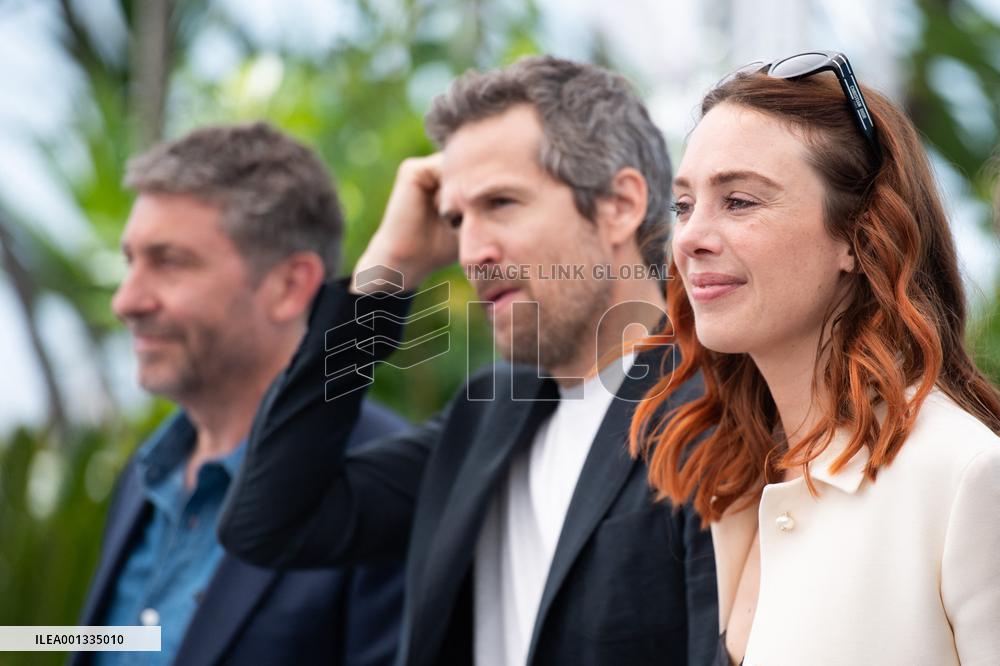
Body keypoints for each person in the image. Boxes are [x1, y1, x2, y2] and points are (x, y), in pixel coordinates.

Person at [219, 55, 718, 666]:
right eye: (456, 219)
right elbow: (267, 521)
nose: (471, 251)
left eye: (501, 202)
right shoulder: (482, 418)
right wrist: (386, 274)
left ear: (618, 204)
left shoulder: (720, 412)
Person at [630, 51, 1000, 666]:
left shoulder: (967, 477)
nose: (691, 237)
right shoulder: (727, 481)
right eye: (684, 204)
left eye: (740, 200)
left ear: (858, 237)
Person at [74, 122, 407, 666]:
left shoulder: (382, 485)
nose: (126, 301)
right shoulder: (145, 473)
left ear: (290, 286)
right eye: (130, 261)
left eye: (170, 262)